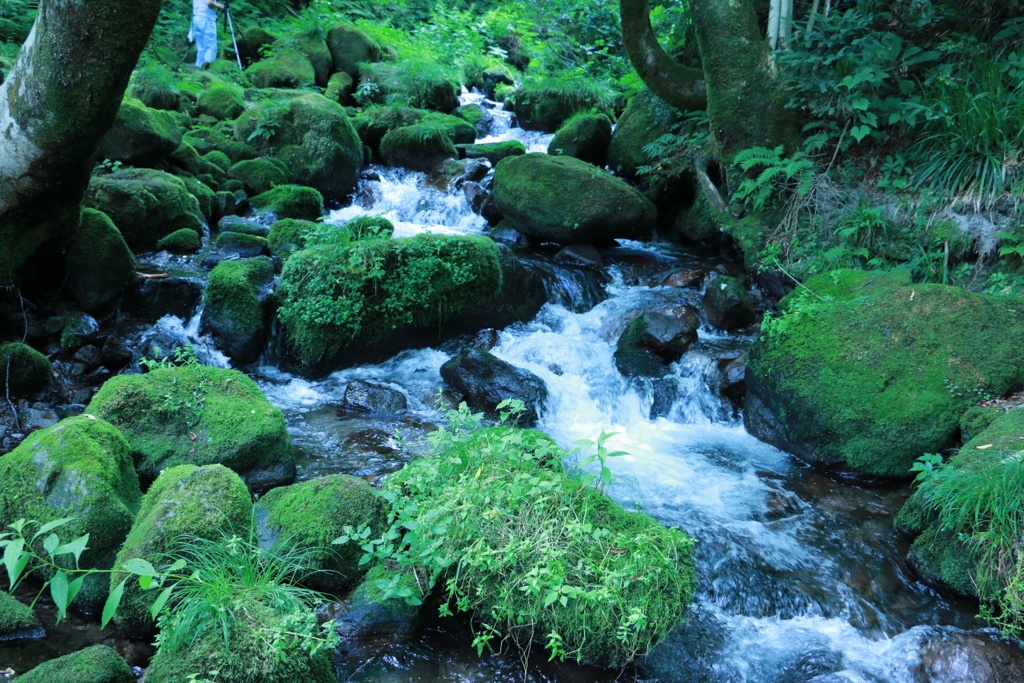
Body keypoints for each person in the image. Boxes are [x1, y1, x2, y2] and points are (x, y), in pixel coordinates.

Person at [191, 0, 225, 68]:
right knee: (210, 45)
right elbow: (209, 3)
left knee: (201, 46)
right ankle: (208, 68)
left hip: (197, 17)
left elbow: (201, 5)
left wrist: (212, 15)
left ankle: (199, 67)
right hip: (206, 20)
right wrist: (220, 6)